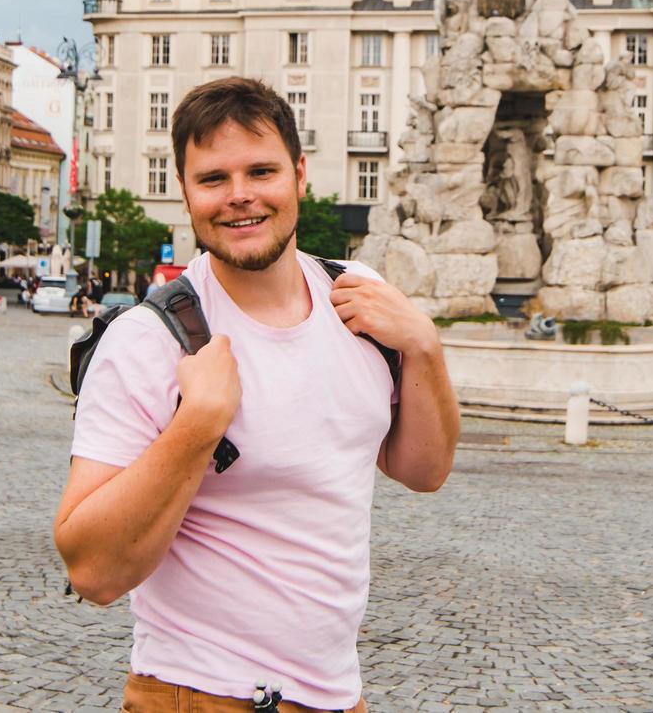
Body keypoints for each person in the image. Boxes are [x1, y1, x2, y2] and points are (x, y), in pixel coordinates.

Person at [54, 77, 458, 713]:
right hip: (200, 694)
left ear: (299, 175)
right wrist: (200, 424)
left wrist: (425, 349)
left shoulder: (360, 299)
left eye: (261, 171)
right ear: (185, 192)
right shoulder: (150, 339)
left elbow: (424, 470)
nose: (239, 197)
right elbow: (93, 571)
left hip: (336, 695)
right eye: (213, 179)